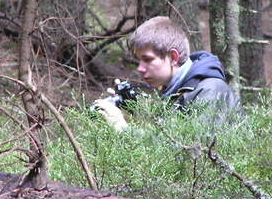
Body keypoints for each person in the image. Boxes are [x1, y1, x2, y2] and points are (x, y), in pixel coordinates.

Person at [94, 16, 241, 130]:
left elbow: (196, 152)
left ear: (173, 57)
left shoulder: (210, 90)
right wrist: (132, 110)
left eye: (148, 59)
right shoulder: (175, 91)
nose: (140, 68)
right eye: (139, 60)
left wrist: (122, 127)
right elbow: (165, 137)